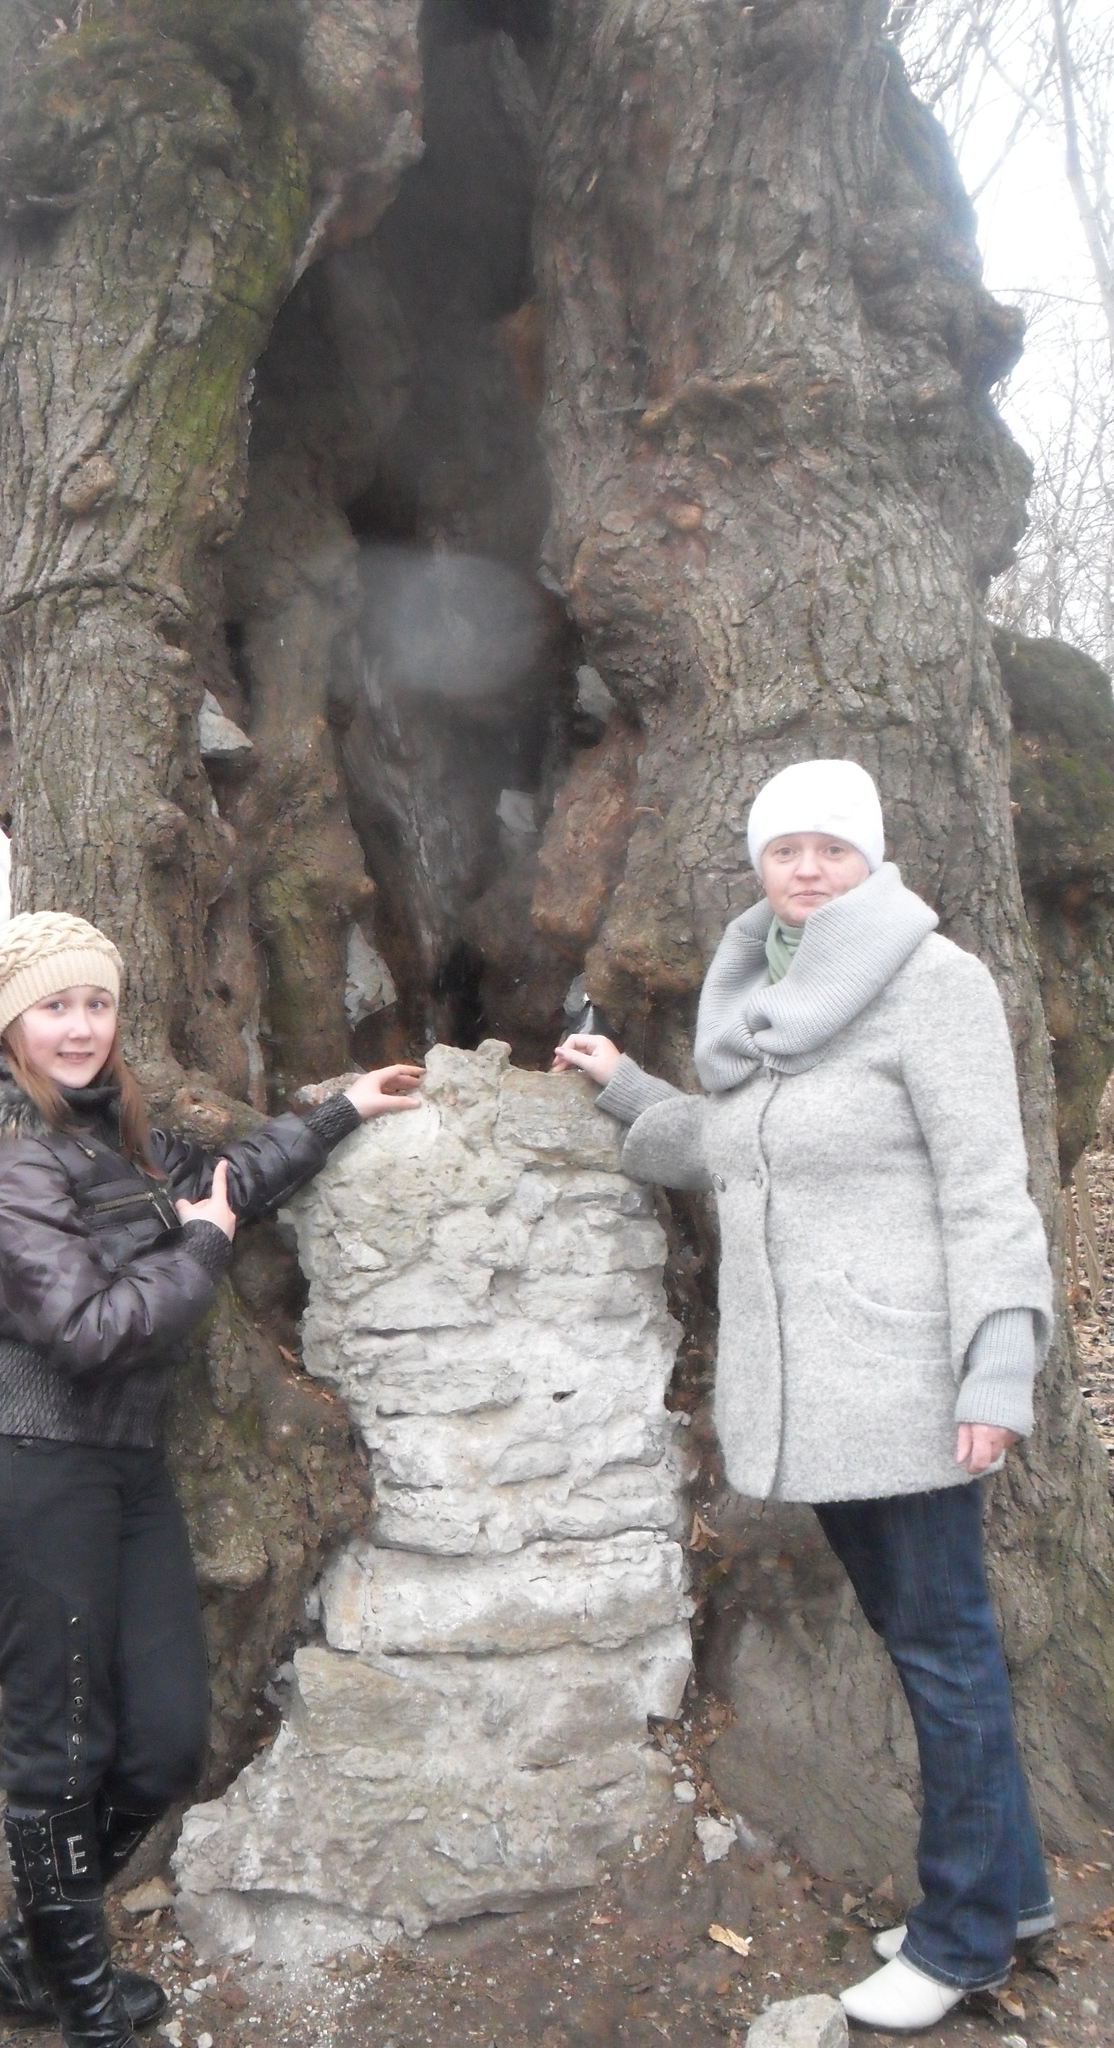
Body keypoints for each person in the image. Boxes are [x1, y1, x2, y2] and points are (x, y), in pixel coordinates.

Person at [552, 760, 1055, 2033]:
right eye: (788, 849)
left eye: (834, 846)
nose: (810, 867)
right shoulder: (764, 998)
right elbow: (736, 1145)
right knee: (927, 1642)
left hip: (911, 1386)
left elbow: (989, 1189)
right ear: (761, 865)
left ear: (872, 858)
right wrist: (624, 1083)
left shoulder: (934, 983)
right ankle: (1015, 1892)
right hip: (808, 1392)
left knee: (946, 1654)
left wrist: (999, 1362)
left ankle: (962, 1939)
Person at [0, 911, 422, 2048]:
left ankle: (31, 1952)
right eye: (55, 1006)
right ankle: (84, 2008)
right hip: (34, 1462)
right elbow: (87, 1329)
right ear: (8, 1024)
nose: (81, 1026)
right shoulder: (2, 1151)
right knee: (61, 1748)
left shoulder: (107, 1124)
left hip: (123, 1462)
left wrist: (342, 1109)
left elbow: (225, 1178)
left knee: (169, 1739)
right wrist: (204, 1247)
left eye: (98, 1002)